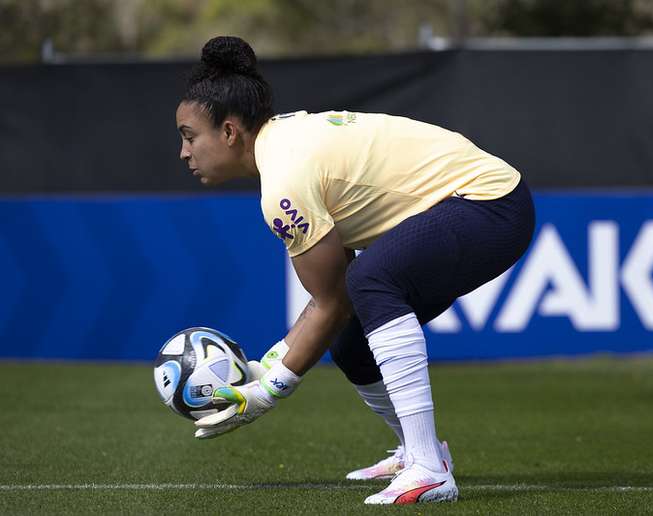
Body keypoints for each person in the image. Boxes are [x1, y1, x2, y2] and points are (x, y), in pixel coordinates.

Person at [175, 35, 535, 505]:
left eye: (189, 137)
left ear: (228, 132)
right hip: (482, 202)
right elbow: (335, 304)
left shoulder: (283, 180)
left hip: (490, 203)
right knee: (354, 346)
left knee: (371, 281)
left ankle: (429, 469)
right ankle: (418, 453)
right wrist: (272, 362)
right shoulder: (281, 142)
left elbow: (334, 298)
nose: (184, 154)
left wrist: (268, 391)